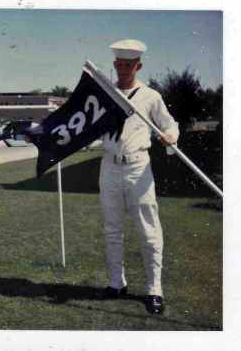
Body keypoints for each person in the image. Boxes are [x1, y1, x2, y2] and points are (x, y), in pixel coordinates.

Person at [98, 39, 179, 314]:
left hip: (138, 168)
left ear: (138, 66)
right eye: (119, 64)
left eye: (128, 65)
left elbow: (169, 125)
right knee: (112, 229)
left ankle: (154, 290)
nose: (122, 70)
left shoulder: (150, 96)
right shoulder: (105, 93)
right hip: (109, 166)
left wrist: (171, 137)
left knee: (148, 231)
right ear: (114, 65)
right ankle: (115, 283)